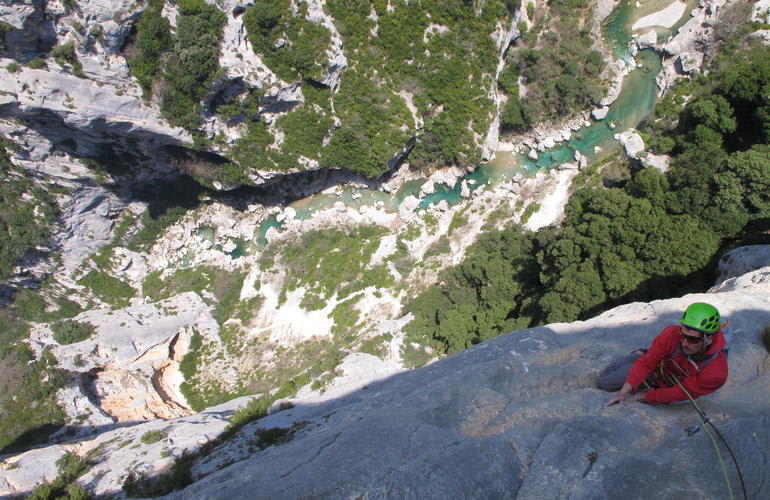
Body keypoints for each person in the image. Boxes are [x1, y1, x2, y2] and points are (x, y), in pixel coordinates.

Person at [600, 302, 728, 406]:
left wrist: (644, 397)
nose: (684, 343)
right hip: (657, 368)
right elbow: (647, 363)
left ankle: (643, 356)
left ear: (709, 339)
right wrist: (623, 393)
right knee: (605, 382)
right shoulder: (671, 333)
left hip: (665, 381)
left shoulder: (716, 374)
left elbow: (682, 393)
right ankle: (639, 354)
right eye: (682, 335)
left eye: (692, 339)